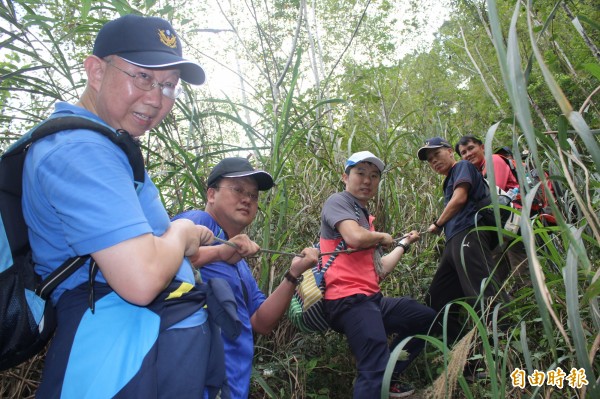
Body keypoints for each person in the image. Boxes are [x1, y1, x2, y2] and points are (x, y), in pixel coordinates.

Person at [22, 15, 230, 398]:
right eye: (143, 77)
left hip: (146, 342)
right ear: (96, 72)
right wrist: (182, 231)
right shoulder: (81, 149)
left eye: (169, 86)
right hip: (119, 350)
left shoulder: (107, 145)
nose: (156, 98)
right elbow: (140, 279)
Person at [172, 157, 320, 399]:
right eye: (238, 189)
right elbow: (160, 263)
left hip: (232, 384)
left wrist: (294, 273)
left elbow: (261, 322)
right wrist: (220, 251)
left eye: (253, 195)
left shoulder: (240, 266)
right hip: (197, 380)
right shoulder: (196, 223)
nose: (247, 199)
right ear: (211, 194)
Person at [319, 151, 436, 398]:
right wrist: (382, 236)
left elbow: (379, 270)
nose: (367, 181)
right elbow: (354, 238)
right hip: (347, 300)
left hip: (369, 299)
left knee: (425, 318)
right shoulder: (338, 201)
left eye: (373, 176)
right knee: (373, 366)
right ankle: (381, 377)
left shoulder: (362, 216)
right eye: (360, 173)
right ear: (345, 176)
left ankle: (390, 376)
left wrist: (402, 244)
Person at [417, 137, 508, 345]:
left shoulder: (463, 167)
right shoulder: (448, 179)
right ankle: (464, 350)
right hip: (454, 241)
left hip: (469, 233)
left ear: (450, 151)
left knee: (482, 291)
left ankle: (502, 347)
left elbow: (459, 198)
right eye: (430, 160)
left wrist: (438, 224)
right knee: (437, 299)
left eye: (437, 155)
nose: (434, 162)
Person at [455, 135, 527, 285]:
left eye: (471, 148)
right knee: (494, 272)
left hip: (516, 219)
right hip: (503, 224)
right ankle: (497, 303)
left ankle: (531, 302)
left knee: (520, 268)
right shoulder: (478, 172)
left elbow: (493, 194)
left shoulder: (493, 160)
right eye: (463, 153)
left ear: (482, 147)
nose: (468, 154)